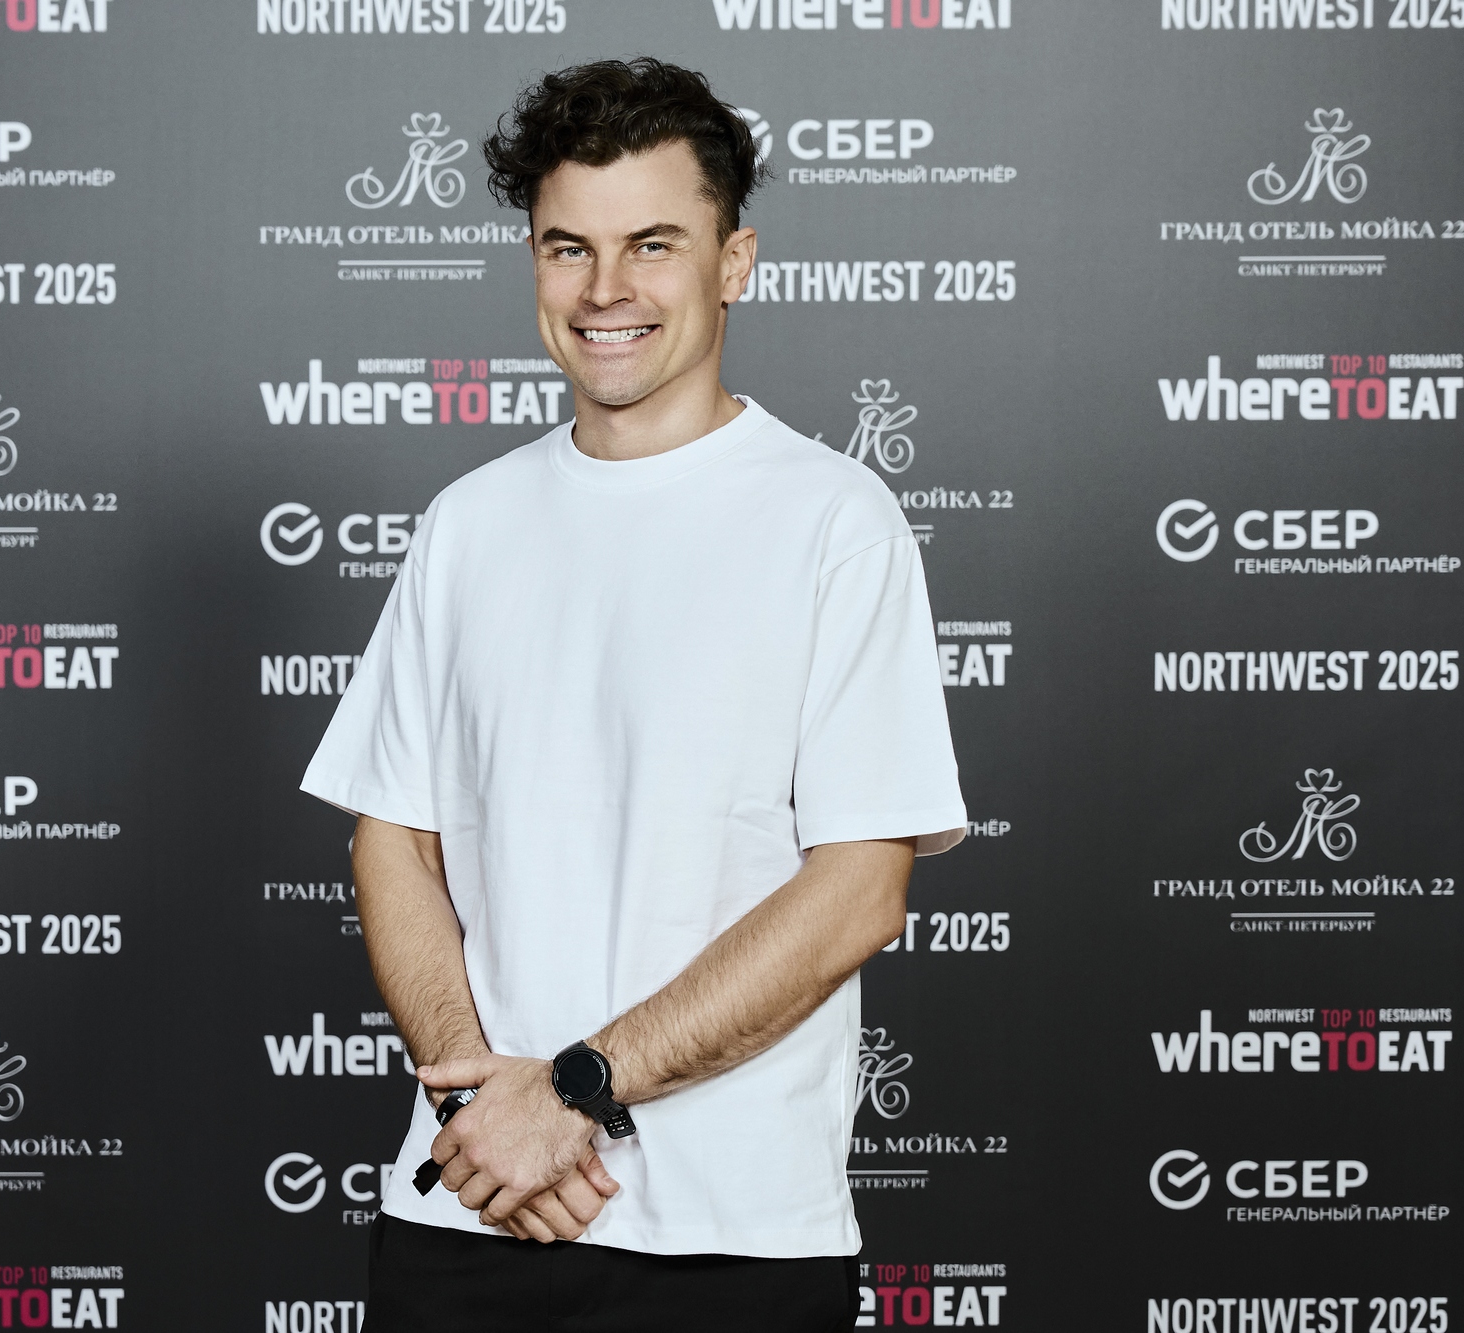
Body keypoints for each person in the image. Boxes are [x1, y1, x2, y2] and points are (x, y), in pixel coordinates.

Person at [300, 57, 966, 1332]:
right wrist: (476, 1109)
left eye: (652, 245)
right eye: (570, 248)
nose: (605, 290)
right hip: (468, 1205)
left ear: (734, 263)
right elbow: (393, 838)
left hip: (732, 1236)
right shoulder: (466, 524)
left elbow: (857, 890)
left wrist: (574, 1091)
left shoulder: (836, 522)